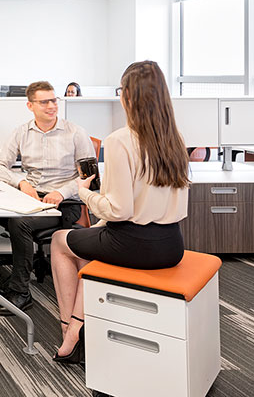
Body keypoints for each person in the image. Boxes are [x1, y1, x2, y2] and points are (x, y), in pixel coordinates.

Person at [49, 61, 189, 364]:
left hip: (132, 244)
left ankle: (69, 333)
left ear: (128, 96)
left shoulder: (119, 140)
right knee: (91, 247)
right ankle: (84, 328)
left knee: (61, 242)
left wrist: (84, 192)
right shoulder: (175, 139)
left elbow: (118, 210)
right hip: (172, 245)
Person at [0, 81, 95, 316]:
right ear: (30, 105)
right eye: (44, 101)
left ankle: (21, 291)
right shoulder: (21, 132)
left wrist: (62, 192)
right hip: (32, 197)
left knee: (20, 224)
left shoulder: (75, 133)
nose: (51, 106)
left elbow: (90, 177)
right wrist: (22, 183)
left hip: (64, 204)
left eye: (53, 100)